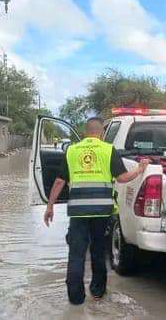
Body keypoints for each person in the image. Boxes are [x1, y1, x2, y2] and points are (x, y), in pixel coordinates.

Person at [43, 117, 150, 305]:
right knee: (98, 252)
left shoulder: (72, 150)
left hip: (78, 212)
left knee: (76, 253)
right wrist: (140, 169)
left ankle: (76, 299)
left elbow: (60, 181)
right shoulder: (108, 150)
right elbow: (123, 178)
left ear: (85, 133)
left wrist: (50, 206)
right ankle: (98, 292)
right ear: (101, 133)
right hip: (102, 211)